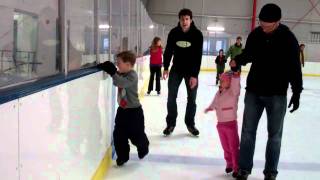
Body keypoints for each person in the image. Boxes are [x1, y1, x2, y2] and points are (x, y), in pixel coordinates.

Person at [229, 4, 303, 180]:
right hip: (254, 91)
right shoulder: (256, 34)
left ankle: (270, 172)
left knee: (275, 136)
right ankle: (244, 169)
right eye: (261, 21)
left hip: (277, 94)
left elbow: (294, 68)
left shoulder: (288, 38)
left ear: (277, 22)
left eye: (266, 23)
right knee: (247, 132)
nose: (262, 25)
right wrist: (237, 60)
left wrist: (297, 92)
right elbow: (249, 54)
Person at [97, 51, 149, 166]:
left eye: (119, 63)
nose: (117, 65)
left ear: (128, 64)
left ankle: (143, 145)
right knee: (119, 135)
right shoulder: (121, 73)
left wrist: (113, 72)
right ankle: (123, 156)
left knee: (136, 136)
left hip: (134, 112)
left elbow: (120, 83)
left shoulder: (132, 75)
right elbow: (116, 76)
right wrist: (102, 67)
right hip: (122, 111)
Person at [162, 8, 203, 136]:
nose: (184, 21)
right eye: (182, 19)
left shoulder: (197, 35)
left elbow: (198, 56)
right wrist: (166, 67)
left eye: (187, 19)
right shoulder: (174, 33)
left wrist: (194, 75)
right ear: (179, 20)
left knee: (192, 99)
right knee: (171, 97)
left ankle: (190, 124)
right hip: (176, 70)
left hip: (191, 71)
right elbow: (168, 51)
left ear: (191, 20)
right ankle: (171, 123)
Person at [204, 70, 241, 178]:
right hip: (220, 124)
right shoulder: (219, 91)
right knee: (225, 146)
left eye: (223, 80)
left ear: (229, 81)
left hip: (230, 124)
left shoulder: (233, 92)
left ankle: (236, 167)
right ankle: (229, 163)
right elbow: (215, 101)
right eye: (221, 80)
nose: (221, 82)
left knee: (233, 147)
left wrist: (235, 77)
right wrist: (210, 107)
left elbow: (235, 85)